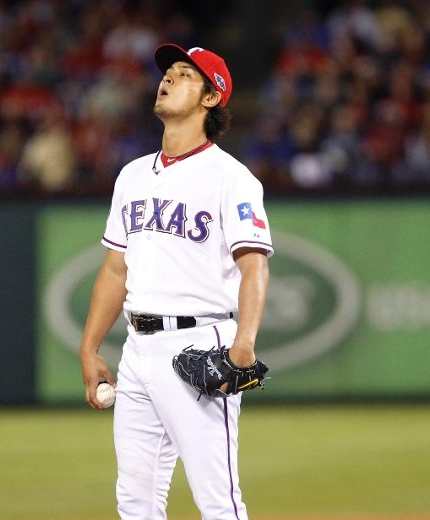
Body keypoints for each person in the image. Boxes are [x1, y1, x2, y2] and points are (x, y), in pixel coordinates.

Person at [79, 43, 274, 520]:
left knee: (218, 501)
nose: (167, 79)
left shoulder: (232, 178)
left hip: (200, 343)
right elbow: (114, 269)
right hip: (137, 350)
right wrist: (90, 347)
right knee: (136, 501)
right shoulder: (131, 176)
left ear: (211, 98)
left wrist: (243, 343)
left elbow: (254, 265)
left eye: (184, 74)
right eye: (168, 72)